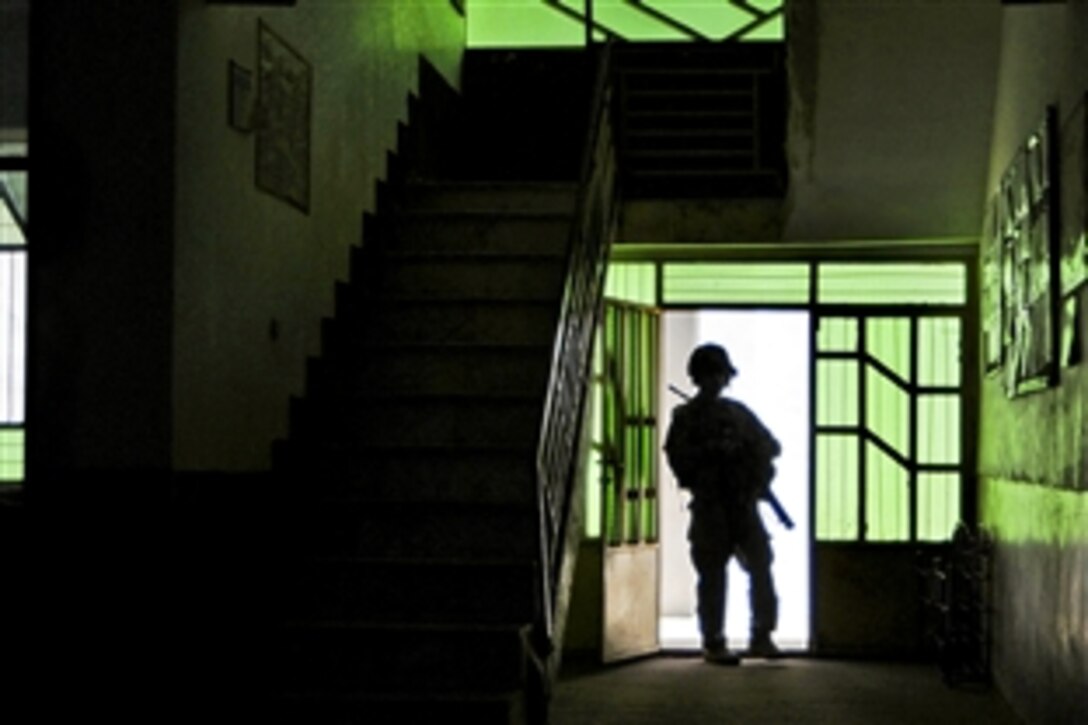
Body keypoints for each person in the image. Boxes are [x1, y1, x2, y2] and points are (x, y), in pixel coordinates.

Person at [663, 343, 782, 665]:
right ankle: (713, 640)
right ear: (698, 377)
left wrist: (745, 457)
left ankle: (762, 634)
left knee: (760, 566)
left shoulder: (737, 414)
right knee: (713, 575)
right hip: (711, 506)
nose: (716, 381)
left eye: (719, 374)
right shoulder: (686, 418)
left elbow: (771, 446)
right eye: (709, 374)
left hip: (743, 504)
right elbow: (678, 459)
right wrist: (711, 454)